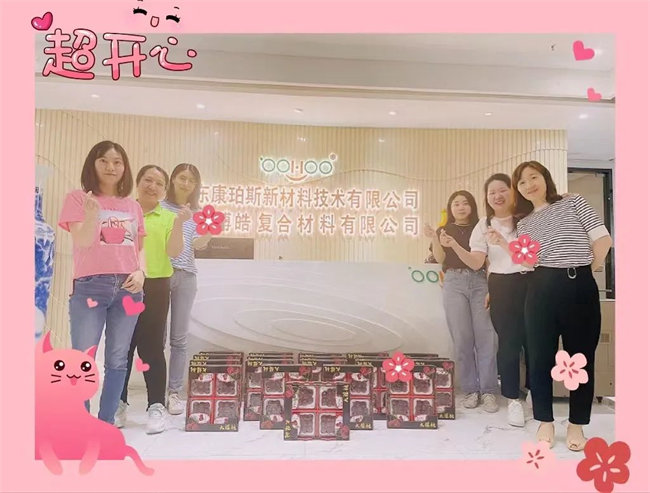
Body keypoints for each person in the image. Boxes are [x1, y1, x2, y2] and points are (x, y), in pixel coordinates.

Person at [510, 161, 612, 451]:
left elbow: (603, 240)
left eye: (533, 177)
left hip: (579, 285)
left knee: (580, 358)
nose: (529, 185)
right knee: (539, 357)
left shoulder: (573, 202)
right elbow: (528, 262)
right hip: (539, 288)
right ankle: (545, 420)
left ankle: (577, 424)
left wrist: (585, 270)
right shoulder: (523, 223)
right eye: (522, 182)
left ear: (546, 178)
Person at [58, 141, 145, 424]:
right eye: (104, 161)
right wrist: (92, 214)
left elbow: (138, 249)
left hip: (129, 288)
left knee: (118, 360)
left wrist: (141, 273)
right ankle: (81, 424)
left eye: (117, 162)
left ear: (125, 167)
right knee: (83, 359)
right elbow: (82, 241)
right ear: (92, 164)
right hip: (90, 286)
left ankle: (106, 423)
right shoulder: (77, 198)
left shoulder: (133, 206)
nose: (111, 167)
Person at [444, 175, 531, 426]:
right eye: (492, 192)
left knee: (491, 339)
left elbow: (530, 257)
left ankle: (494, 391)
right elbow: (476, 261)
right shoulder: (484, 224)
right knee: (468, 339)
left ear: (513, 192)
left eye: (503, 190)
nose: (497, 196)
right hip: (490, 284)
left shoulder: (526, 219)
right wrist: (453, 246)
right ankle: (474, 390)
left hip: (523, 282)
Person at [115, 165, 191, 433]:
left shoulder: (168, 217)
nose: (153, 187)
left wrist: (179, 224)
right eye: (148, 180)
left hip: (156, 286)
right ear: (137, 182)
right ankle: (117, 403)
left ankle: (156, 406)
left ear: (164, 189)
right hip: (123, 284)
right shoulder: (122, 211)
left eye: (159, 183)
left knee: (152, 349)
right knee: (121, 348)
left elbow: (174, 251)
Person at [425, 191, 499, 413]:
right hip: (454, 282)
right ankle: (470, 390)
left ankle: (488, 390)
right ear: (450, 208)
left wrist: (492, 287)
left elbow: (490, 260)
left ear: (472, 206)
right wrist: (434, 237)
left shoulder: (482, 227)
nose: (460, 207)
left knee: (486, 337)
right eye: (456, 204)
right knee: (462, 338)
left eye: (465, 203)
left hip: (480, 282)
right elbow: (440, 259)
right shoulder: (444, 230)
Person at [160, 164, 211, 415]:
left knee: (179, 339)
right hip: (160, 275)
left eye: (192, 180)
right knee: (156, 338)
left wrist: (208, 235)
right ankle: (156, 392)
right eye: (182, 178)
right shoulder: (160, 207)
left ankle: (174, 392)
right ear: (172, 179)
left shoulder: (199, 213)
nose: (186, 183)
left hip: (187, 276)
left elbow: (197, 245)